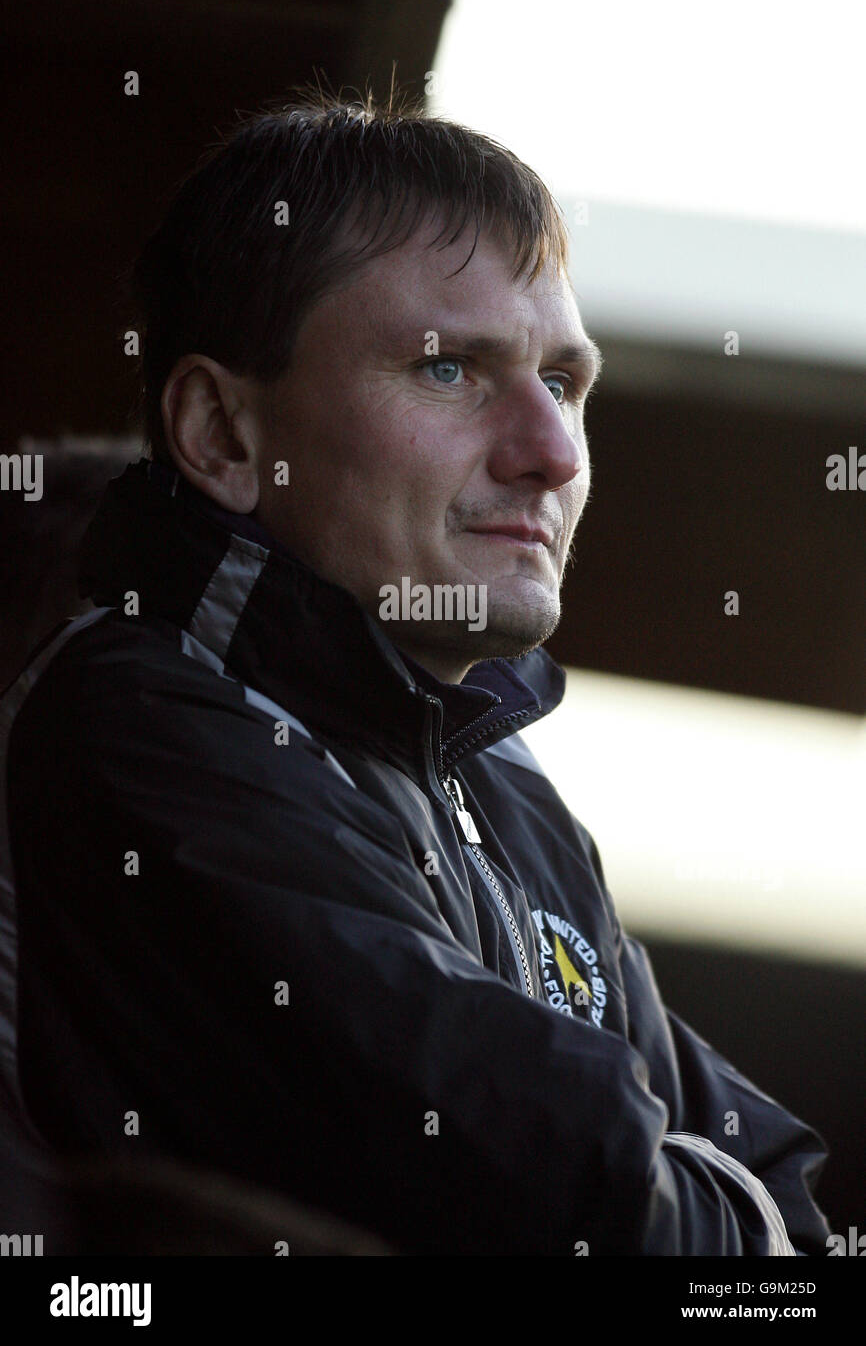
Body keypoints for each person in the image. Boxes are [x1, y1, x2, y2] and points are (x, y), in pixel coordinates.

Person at [0, 90, 830, 1256]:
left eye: (564, 383)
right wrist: (694, 1191)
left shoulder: (507, 791)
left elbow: (783, 1180)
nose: (549, 453)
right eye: (449, 371)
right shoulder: (139, 722)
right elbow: (557, 1193)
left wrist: (696, 1189)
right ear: (223, 438)